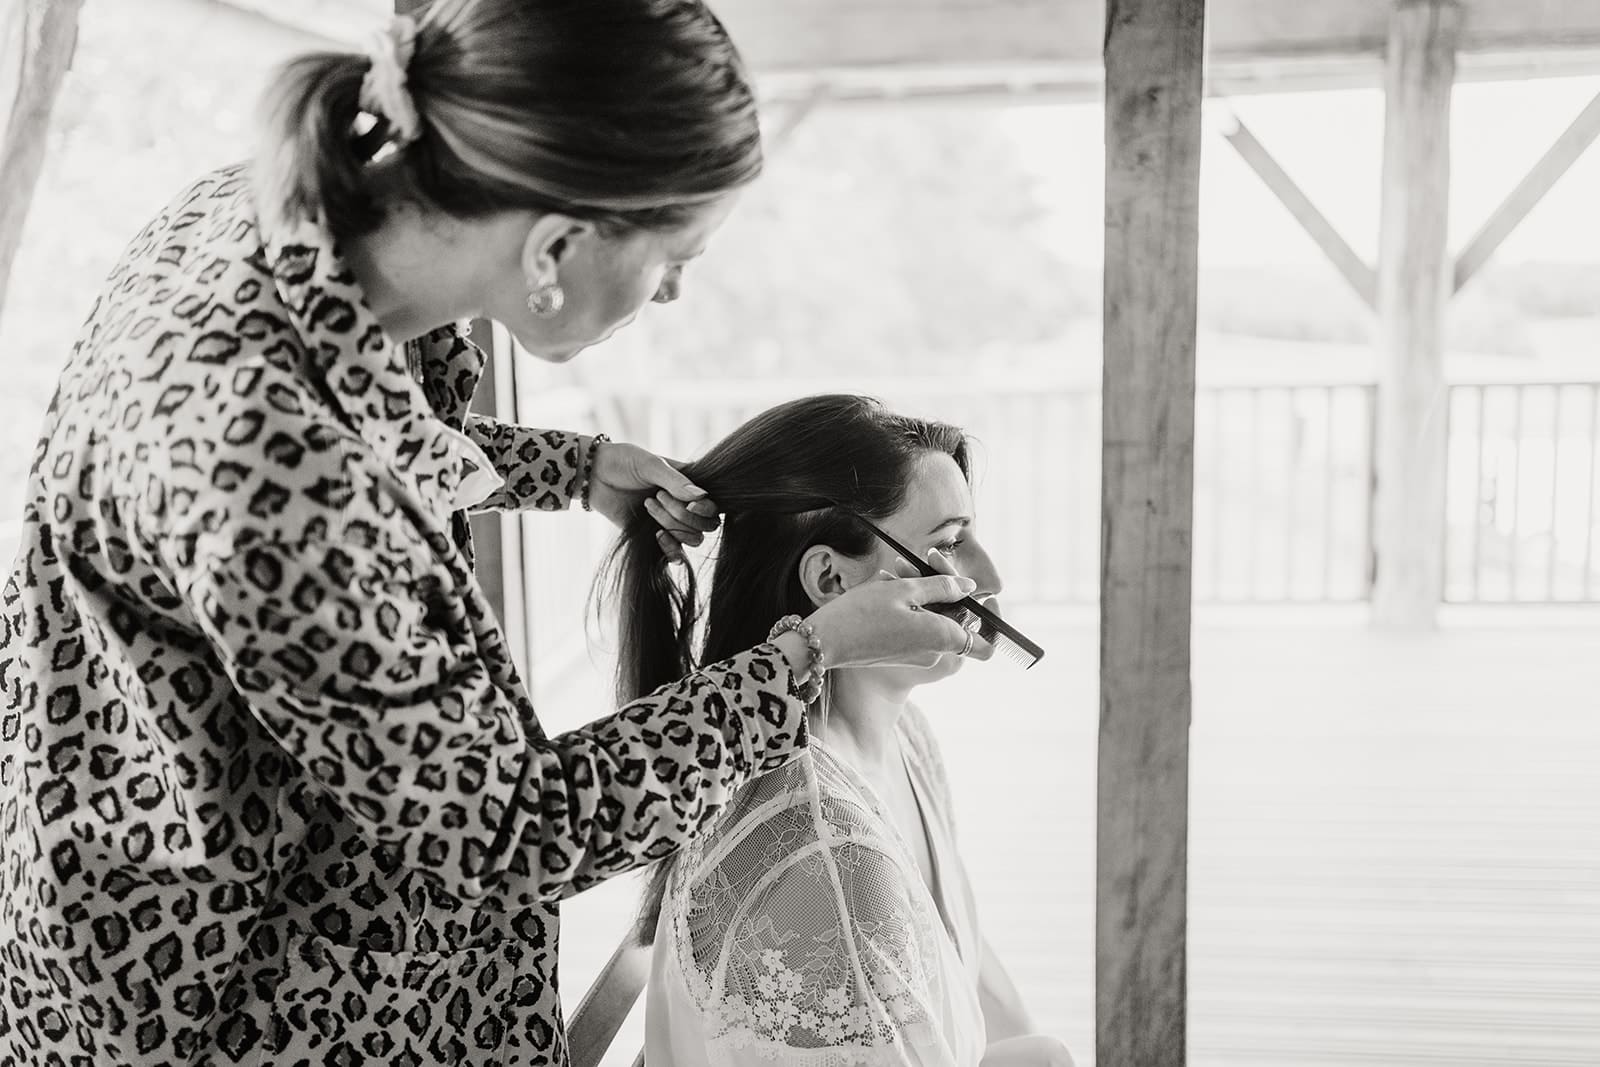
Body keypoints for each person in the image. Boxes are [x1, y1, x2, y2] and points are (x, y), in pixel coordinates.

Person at [0, 4, 987, 1065]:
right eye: (672, 259)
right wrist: (803, 657)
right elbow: (510, 830)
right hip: (231, 986)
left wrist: (572, 467)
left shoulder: (276, 217)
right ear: (557, 244)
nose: (675, 292)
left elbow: (390, 430)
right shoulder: (263, 458)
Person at [601, 395, 1073, 1067]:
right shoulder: (824, 863)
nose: (989, 579)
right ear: (829, 577)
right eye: (947, 544)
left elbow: (964, 986)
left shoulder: (906, 738)